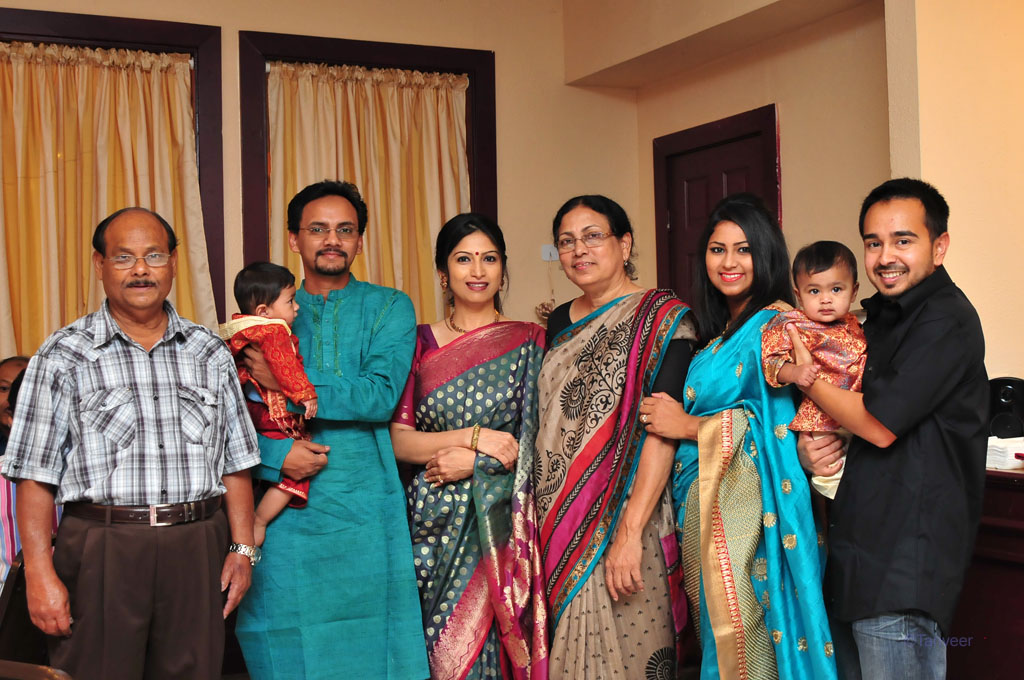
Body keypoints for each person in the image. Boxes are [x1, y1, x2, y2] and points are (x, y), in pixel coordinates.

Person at [0, 207, 259, 680]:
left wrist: (242, 550)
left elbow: (236, 461)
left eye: (153, 255)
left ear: (173, 262)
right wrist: (38, 572)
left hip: (197, 544)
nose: (141, 269)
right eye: (124, 257)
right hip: (100, 548)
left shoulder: (209, 351)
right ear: (100, 264)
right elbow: (34, 475)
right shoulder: (62, 354)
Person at [793, 179, 987, 680]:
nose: (885, 257)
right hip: (857, 558)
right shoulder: (875, 320)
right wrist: (810, 453)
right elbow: (848, 420)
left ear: (939, 246)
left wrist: (805, 376)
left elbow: (878, 425)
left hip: (902, 567)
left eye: (903, 240)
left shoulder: (945, 319)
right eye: (873, 243)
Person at [235, 180, 429, 679]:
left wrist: (284, 382)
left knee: (374, 648)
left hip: (365, 508)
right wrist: (276, 458)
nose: (332, 240)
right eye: (318, 229)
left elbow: (378, 395)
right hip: (281, 517)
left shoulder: (390, 306)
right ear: (294, 238)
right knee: (285, 643)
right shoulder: (262, 316)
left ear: (360, 240)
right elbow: (230, 416)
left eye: (345, 230)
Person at [643, 193, 836, 679]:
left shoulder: (777, 325)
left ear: (765, 254)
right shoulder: (719, 336)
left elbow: (781, 424)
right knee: (721, 639)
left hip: (756, 525)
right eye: (717, 249)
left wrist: (686, 425)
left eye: (744, 249)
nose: (729, 262)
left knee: (750, 640)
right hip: (704, 512)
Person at [534, 194, 694, 678]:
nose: (578, 250)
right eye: (566, 242)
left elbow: (661, 431)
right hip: (557, 519)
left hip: (632, 515)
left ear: (624, 244)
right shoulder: (558, 322)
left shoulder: (663, 319)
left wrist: (628, 534)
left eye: (592, 236)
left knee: (635, 655)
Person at [390, 213, 549, 679]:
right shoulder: (418, 343)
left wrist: (475, 464)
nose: (477, 271)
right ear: (444, 272)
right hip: (431, 526)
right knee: (441, 653)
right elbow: (399, 442)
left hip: (502, 526)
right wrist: (472, 439)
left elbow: (540, 441)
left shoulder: (531, 341)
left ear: (503, 269)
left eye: (489, 259)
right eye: (463, 259)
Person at [219, 262, 318, 546]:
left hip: (248, 412)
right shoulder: (273, 331)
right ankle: (259, 521)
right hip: (272, 414)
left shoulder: (240, 328)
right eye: (290, 301)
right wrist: (305, 393)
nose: (297, 308)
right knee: (304, 464)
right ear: (264, 311)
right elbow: (285, 365)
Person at [761, 241, 867, 499]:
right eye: (814, 291)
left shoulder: (855, 322)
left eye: (836, 289)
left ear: (853, 291)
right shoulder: (795, 324)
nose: (826, 299)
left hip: (859, 409)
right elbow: (771, 361)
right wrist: (795, 373)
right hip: (822, 414)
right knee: (829, 466)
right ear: (798, 294)